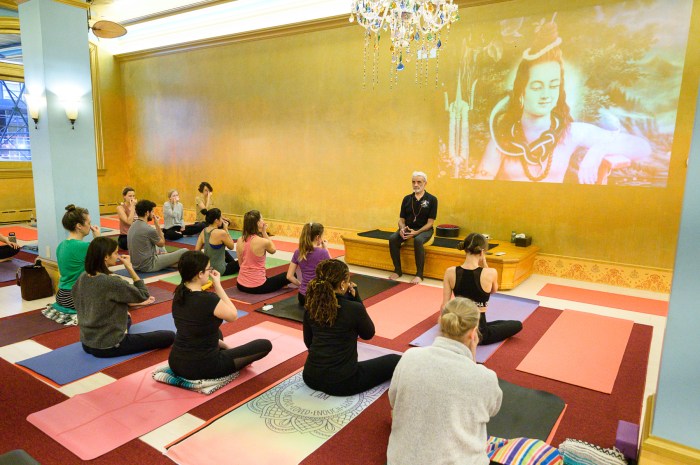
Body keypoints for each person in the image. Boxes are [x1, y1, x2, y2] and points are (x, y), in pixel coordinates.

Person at [477, 21, 651, 183]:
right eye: (537, 87)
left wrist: (599, 150)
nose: (546, 95)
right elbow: (481, 183)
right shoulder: (503, 140)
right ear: (521, 93)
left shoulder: (570, 133)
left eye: (553, 86)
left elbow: (642, 147)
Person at [387, 297, 502, 465]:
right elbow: (492, 410)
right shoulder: (485, 377)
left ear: (441, 322)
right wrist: (472, 355)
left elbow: (393, 401)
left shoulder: (410, 356)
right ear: (473, 333)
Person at [302, 259, 400, 396]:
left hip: (310, 376)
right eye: (348, 281)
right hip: (342, 382)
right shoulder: (353, 308)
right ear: (343, 284)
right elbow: (368, 334)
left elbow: (308, 342)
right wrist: (357, 299)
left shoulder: (311, 307)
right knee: (395, 360)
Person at [168, 251, 272, 379]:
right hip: (201, 367)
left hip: (175, 362)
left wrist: (226, 346)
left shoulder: (179, 294)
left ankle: (221, 351)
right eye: (208, 269)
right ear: (200, 274)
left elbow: (195, 331)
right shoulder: (208, 299)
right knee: (264, 345)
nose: (210, 271)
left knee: (216, 332)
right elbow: (233, 315)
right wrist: (218, 285)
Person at [72, 237, 174, 358]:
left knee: (127, 317)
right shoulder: (112, 282)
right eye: (115, 253)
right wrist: (130, 268)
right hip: (109, 346)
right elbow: (143, 295)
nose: (118, 256)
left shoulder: (83, 277)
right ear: (106, 256)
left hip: (87, 342)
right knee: (169, 336)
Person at [442, 233, 522, 345]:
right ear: (482, 252)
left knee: (498, 324)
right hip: (479, 333)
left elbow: (444, 305)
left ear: (465, 249)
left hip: (457, 327)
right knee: (517, 324)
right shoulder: (491, 273)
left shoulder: (450, 271)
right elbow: (493, 290)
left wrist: (447, 330)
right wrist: (484, 262)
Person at [43, 205, 101, 325]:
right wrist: (98, 238)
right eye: (89, 223)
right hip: (75, 296)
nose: (90, 226)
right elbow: (103, 263)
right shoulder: (84, 247)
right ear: (79, 226)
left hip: (61, 295)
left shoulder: (61, 245)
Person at [388, 171, 438, 284]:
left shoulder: (432, 199)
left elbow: (430, 223)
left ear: (425, 183)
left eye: (419, 182)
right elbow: (401, 219)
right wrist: (402, 228)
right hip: (408, 228)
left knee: (418, 240)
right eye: (413, 182)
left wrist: (417, 232)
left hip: (424, 229)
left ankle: (419, 274)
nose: (416, 185)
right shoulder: (407, 199)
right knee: (392, 239)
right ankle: (397, 270)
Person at [235, 210, 290, 294]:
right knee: (290, 275)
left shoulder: (239, 240)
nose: (263, 221)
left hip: (240, 284)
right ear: (258, 223)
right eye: (262, 219)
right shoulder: (263, 241)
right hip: (258, 286)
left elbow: (240, 264)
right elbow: (273, 250)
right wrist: (264, 232)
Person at [127, 199, 187, 272]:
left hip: (135, 265)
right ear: (147, 213)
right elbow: (162, 243)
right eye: (152, 211)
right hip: (149, 265)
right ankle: (173, 263)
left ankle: (172, 263)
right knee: (185, 251)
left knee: (158, 247)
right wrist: (157, 225)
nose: (153, 214)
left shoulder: (132, 226)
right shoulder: (148, 229)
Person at [286, 222, 331, 306]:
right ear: (317, 237)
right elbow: (334, 269)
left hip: (302, 297)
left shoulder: (298, 252)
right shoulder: (323, 252)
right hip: (317, 297)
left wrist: (301, 285)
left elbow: (289, 276)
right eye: (322, 236)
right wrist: (326, 249)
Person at [195, 208, 239, 276]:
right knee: (241, 262)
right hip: (220, 271)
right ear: (216, 220)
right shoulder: (221, 233)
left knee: (224, 252)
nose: (222, 220)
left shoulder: (204, 231)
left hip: (208, 269)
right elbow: (232, 246)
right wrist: (226, 229)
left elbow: (197, 251)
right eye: (221, 218)